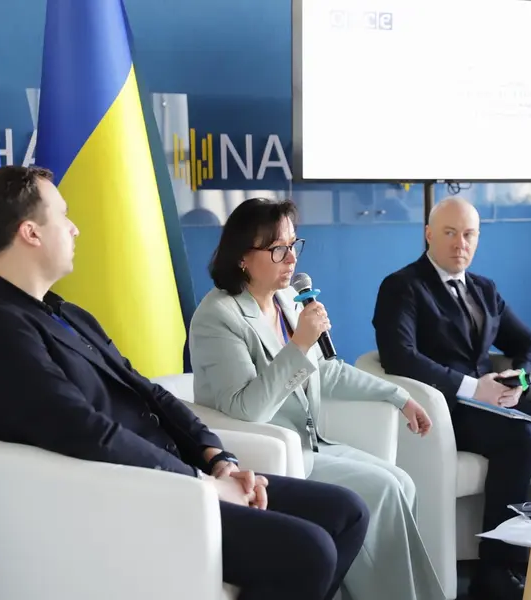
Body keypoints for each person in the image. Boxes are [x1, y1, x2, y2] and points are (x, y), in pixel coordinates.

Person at [0, 166, 369, 600]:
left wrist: (218, 458)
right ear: (31, 233)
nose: (74, 228)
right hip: (130, 502)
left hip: (175, 477)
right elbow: (88, 432)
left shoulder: (66, 313)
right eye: (63, 215)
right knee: (310, 551)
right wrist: (202, 484)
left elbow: (149, 393)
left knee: (347, 513)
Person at [372, 197, 531, 600]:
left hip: (496, 403)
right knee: (522, 438)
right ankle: (495, 570)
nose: (460, 243)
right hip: (446, 408)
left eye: (469, 234)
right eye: (449, 233)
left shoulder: (483, 288)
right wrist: (473, 387)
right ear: (428, 234)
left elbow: (529, 341)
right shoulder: (402, 286)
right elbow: (399, 356)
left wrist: (520, 379)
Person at [188, 198, 445, 600]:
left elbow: (327, 370)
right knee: (384, 489)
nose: (291, 258)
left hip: (311, 444)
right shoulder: (218, 316)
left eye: (294, 245)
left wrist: (399, 397)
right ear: (242, 257)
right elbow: (247, 409)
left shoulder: (285, 300)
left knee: (402, 482)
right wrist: (299, 344)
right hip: (269, 456)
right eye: (278, 249)